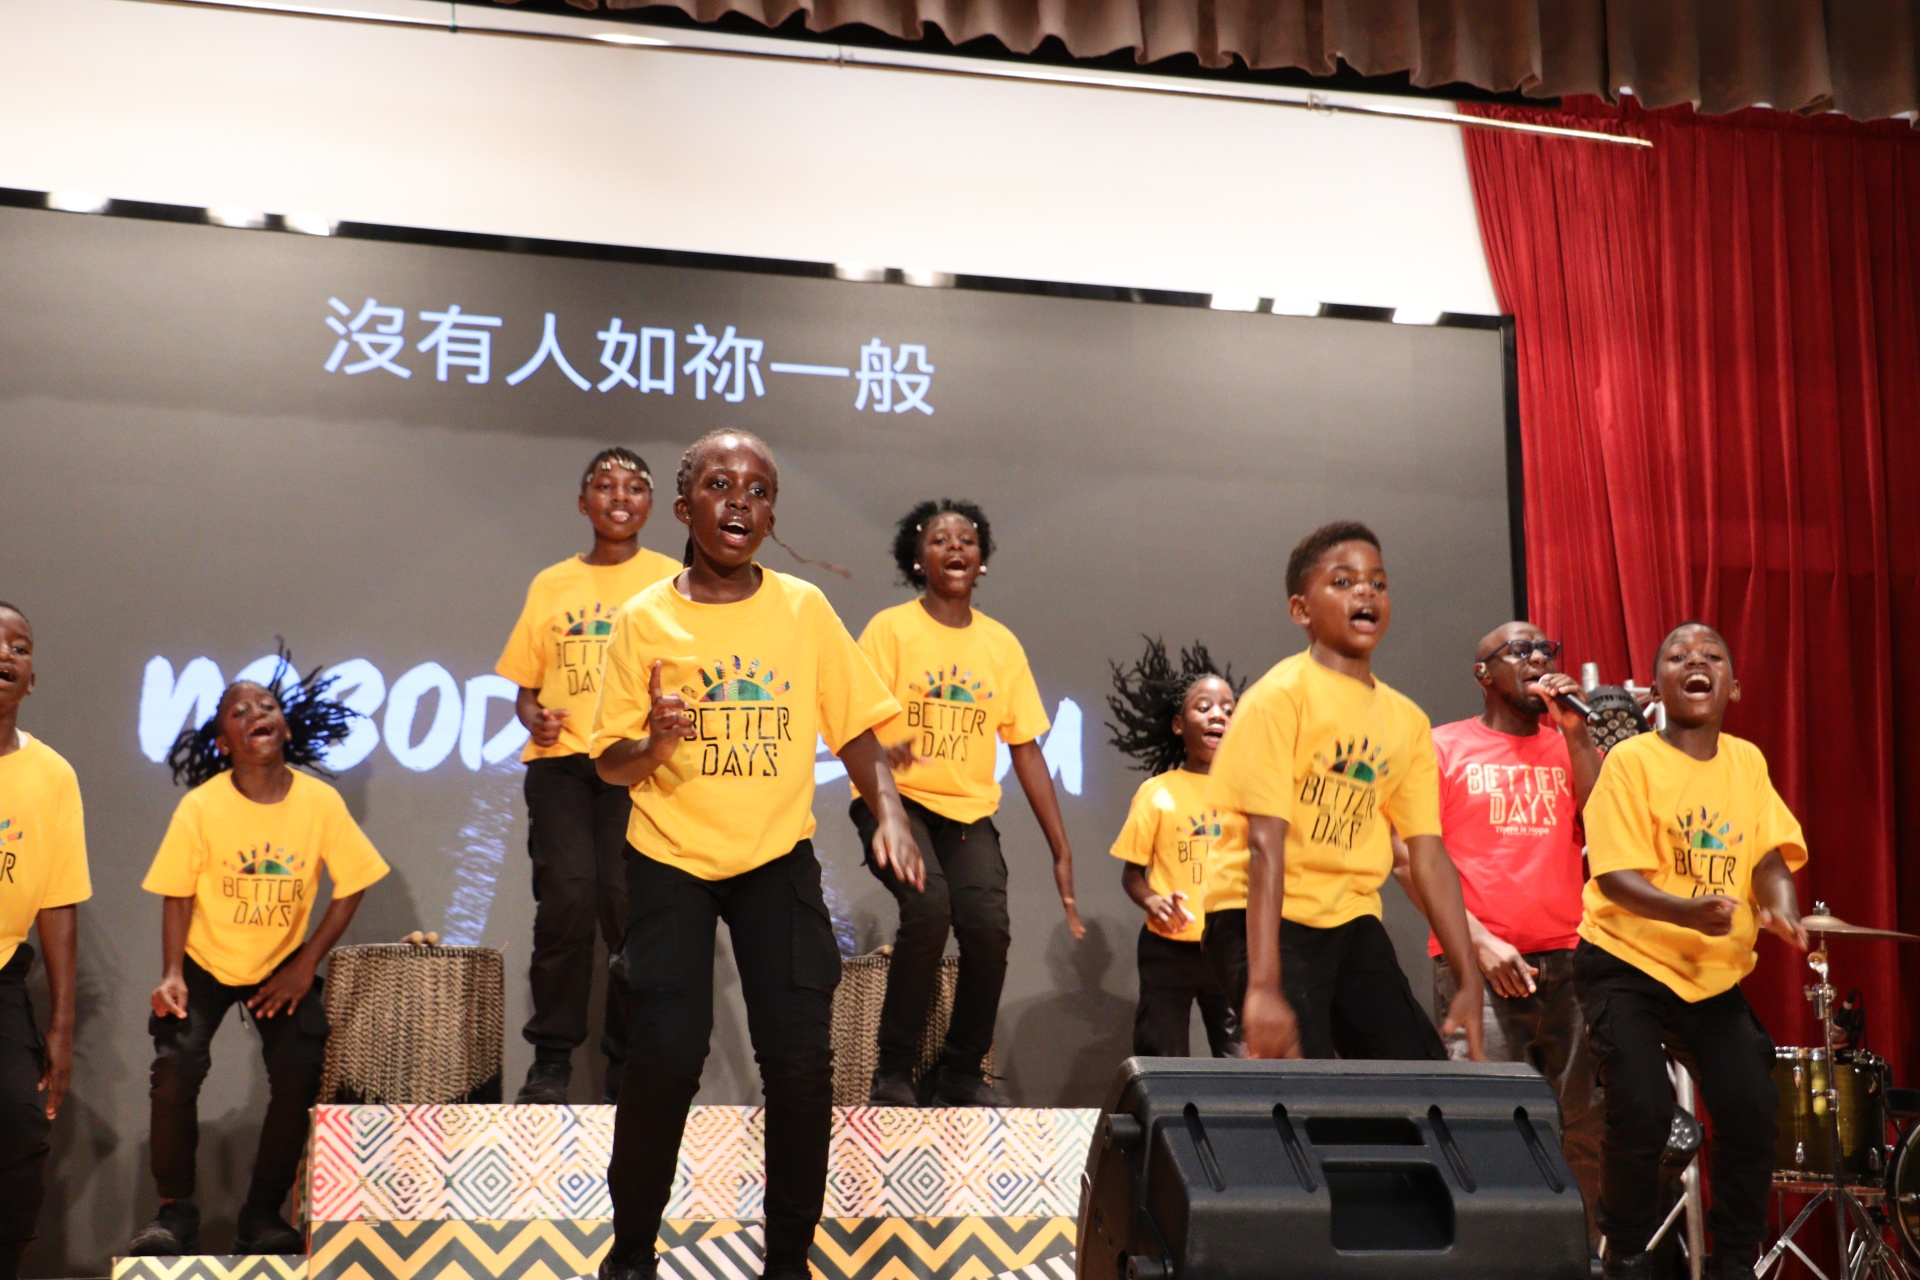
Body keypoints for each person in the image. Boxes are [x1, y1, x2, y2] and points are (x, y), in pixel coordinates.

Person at [590, 430, 923, 1280]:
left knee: (802, 1062)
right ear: (683, 508)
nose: (740, 499)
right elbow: (609, 762)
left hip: (774, 858)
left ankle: (788, 1263)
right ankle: (629, 1257)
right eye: (718, 484)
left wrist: (889, 813)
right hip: (671, 857)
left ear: (771, 517)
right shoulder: (644, 619)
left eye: (759, 489)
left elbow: (856, 729)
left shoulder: (804, 609)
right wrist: (654, 746)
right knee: (667, 1054)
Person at [130, 659, 389, 1257]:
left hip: (281, 961)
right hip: (206, 958)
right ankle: (174, 1212)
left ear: (286, 728)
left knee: (300, 1073)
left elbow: (353, 883)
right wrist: (172, 972)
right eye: (239, 712)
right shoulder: (202, 806)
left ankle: (262, 1214)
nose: (255, 715)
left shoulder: (320, 803)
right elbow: (178, 893)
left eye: (266, 707)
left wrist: (305, 964)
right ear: (225, 742)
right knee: (175, 1070)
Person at [1204, 520, 1485, 1061]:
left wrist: (1468, 979)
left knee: (1420, 1078)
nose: (1365, 593)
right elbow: (1264, 844)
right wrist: (1263, 986)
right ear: (1300, 610)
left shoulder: (1406, 719)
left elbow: (1427, 855)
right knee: (1305, 1084)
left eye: (1378, 583)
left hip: (1350, 917)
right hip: (1259, 916)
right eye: (1343, 581)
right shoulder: (1278, 698)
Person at [1577, 623, 1806, 1280]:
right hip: (1627, 961)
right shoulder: (1631, 761)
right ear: (1656, 688)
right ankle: (1625, 1252)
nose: (1695, 662)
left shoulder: (1746, 761)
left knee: (1752, 1105)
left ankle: (1734, 1259)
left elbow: (1767, 858)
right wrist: (1687, 911)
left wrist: (1782, 906)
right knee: (1643, 1106)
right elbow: (1613, 877)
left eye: (1711, 656)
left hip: (1708, 975)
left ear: (1734, 686)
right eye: (1677, 657)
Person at [850, 499, 1082, 1107]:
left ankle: (959, 1072)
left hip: (967, 814)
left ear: (981, 562)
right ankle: (892, 1072)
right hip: (894, 803)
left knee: (988, 930)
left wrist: (1061, 851)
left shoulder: (1001, 644)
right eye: (939, 540)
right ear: (917, 561)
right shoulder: (890, 630)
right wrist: (887, 752)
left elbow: (1026, 748)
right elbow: (853, 724)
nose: (955, 547)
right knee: (929, 912)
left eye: (967, 540)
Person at [496, 447, 680, 1105]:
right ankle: (551, 1060)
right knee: (568, 898)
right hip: (563, 767)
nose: (619, 496)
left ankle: (631, 1066)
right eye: (604, 485)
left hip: (634, 762)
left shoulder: (671, 580)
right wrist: (536, 719)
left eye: (634, 486)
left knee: (628, 904)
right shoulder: (551, 584)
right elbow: (526, 691)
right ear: (583, 502)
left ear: (651, 505)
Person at [1410, 621, 1603, 1241]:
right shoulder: (1442, 747)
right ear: (1483, 674)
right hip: (1477, 967)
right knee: (1483, 1128)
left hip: (1569, 964)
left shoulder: (1570, 745)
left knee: (1582, 1129)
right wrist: (1479, 942)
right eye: (1520, 650)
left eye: (1546, 648)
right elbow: (1411, 859)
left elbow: (1605, 825)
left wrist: (1577, 734)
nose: (1538, 657)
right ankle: (1491, 1257)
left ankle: (1576, 1257)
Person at [0, 603, 89, 1280]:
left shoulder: (53, 775)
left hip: (4, 974)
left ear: (33, 678)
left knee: (20, 1126)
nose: (6, 654)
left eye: (20, 646)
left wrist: (60, 1026)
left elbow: (59, 900)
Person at [1105, 637, 1242, 1058]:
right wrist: (1154, 901)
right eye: (1204, 707)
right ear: (1179, 725)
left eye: (1228, 709)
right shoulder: (1157, 792)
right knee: (1163, 1057)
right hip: (1167, 948)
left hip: (1231, 947)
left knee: (1243, 1061)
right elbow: (1132, 875)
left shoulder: (1249, 795)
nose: (1218, 715)